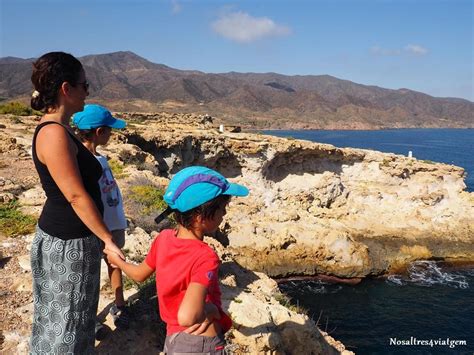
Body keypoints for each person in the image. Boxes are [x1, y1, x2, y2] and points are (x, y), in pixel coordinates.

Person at [29, 52, 124, 354]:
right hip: (69, 244)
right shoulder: (54, 133)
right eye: (85, 85)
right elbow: (74, 195)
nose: (88, 91)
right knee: (68, 323)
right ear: (66, 89)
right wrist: (107, 239)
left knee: (62, 318)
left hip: (64, 239)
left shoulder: (59, 129)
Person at [105, 166, 249, 354]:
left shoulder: (164, 238)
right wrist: (212, 310)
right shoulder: (205, 256)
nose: (224, 214)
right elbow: (188, 317)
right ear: (200, 216)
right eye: (222, 208)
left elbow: (140, 275)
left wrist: (118, 262)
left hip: (174, 339)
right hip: (201, 343)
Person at [72, 104, 130, 329]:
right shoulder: (81, 162)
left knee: (115, 264)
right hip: (98, 228)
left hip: (114, 224)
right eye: (109, 129)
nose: (112, 134)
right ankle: (90, 317)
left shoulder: (100, 158)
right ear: (99, 132)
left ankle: (119, 304)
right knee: (90, 272)